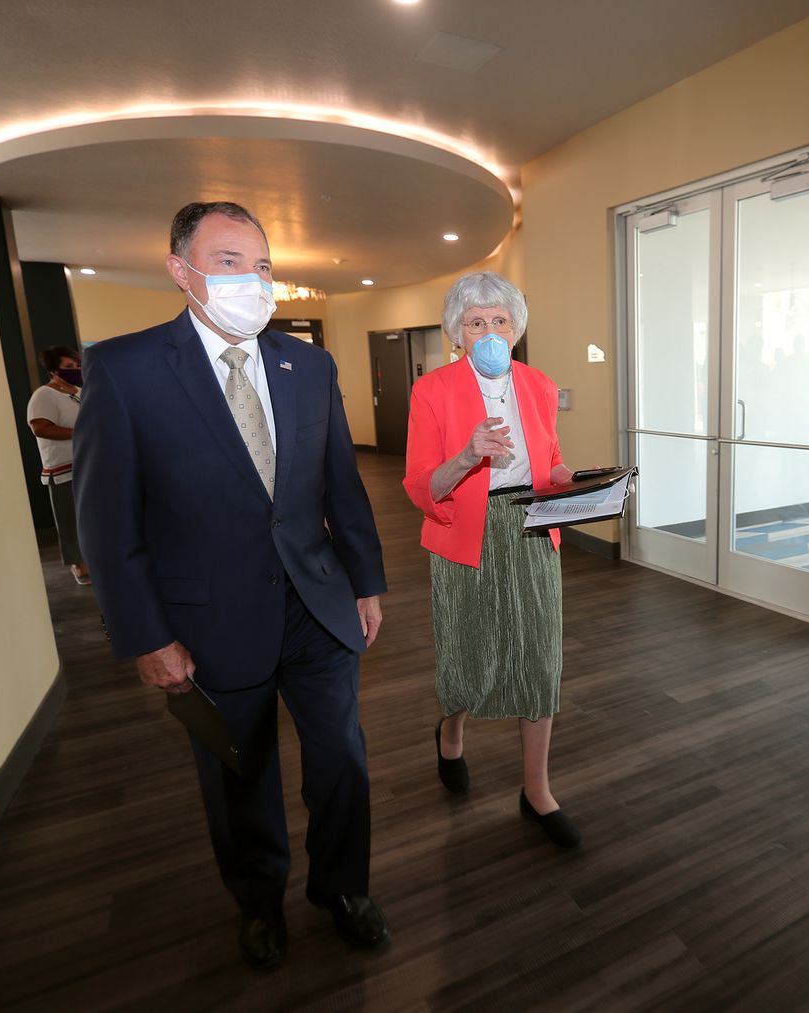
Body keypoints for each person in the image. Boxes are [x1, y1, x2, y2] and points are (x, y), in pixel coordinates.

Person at [73, 201, 389, 971]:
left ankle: (343, 886)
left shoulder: (309, 366)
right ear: (181, 271)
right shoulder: (125, 370)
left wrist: (366, 582)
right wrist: (147, 636)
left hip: (316, 605)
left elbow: (342, 487)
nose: (254, 280)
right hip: (208, 621)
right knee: (238, 774)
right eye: (229, 262)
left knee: (342, 761)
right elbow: (107, 524)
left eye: (263, 264)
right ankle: (259, 899)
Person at [403, 271, 581, 849]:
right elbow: (421, 485)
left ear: (515, 329)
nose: (489, 331)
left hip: (530, 526)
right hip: (463, 532)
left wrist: (574, 480)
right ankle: (451, 732)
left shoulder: (539, 384)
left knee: (539, 658)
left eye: (499, 320)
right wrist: (467, 456)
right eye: (476, 322)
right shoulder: (432, 390)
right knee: (468, 655)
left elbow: (549, 463)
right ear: (457, 333)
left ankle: (537, 790)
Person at [26, 345, 88, 584]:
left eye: (77, 365)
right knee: (70, 517)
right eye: (69, 366)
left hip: (87, 462)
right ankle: (79, 564)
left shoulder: (80, 391)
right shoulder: (44, 395)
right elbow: (40, 428)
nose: (76, 369)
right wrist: (80, 433)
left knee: (91, 516)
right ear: (54, 370)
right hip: (63, 467)